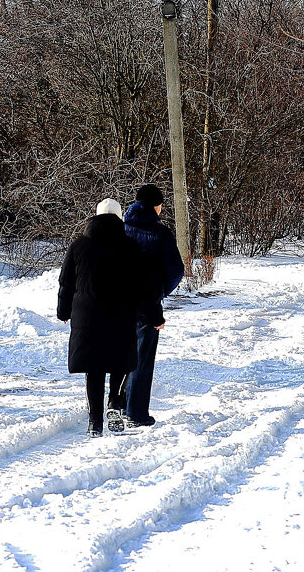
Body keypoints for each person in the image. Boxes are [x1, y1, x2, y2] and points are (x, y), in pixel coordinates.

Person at [57, 198, 150, 437]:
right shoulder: (130, 246)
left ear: (95, 217)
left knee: (94, 368)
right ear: (120, 218)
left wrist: (63, 311)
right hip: (121, 314)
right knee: (120, 362)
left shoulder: (79, 245)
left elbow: (66, 282)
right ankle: (115, 404)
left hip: (87, 316)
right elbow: (141, 285)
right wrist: (150, 313)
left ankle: (94, 421)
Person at [122, 183, 184, 427]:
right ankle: (136, 413)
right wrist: (161, 291)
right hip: (147, 305)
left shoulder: (120, 228)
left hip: (118, 302)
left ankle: (115, 404)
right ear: (156, 206)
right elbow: (176, 270)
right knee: (142, 358)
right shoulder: (160, 234)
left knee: (121, 356)